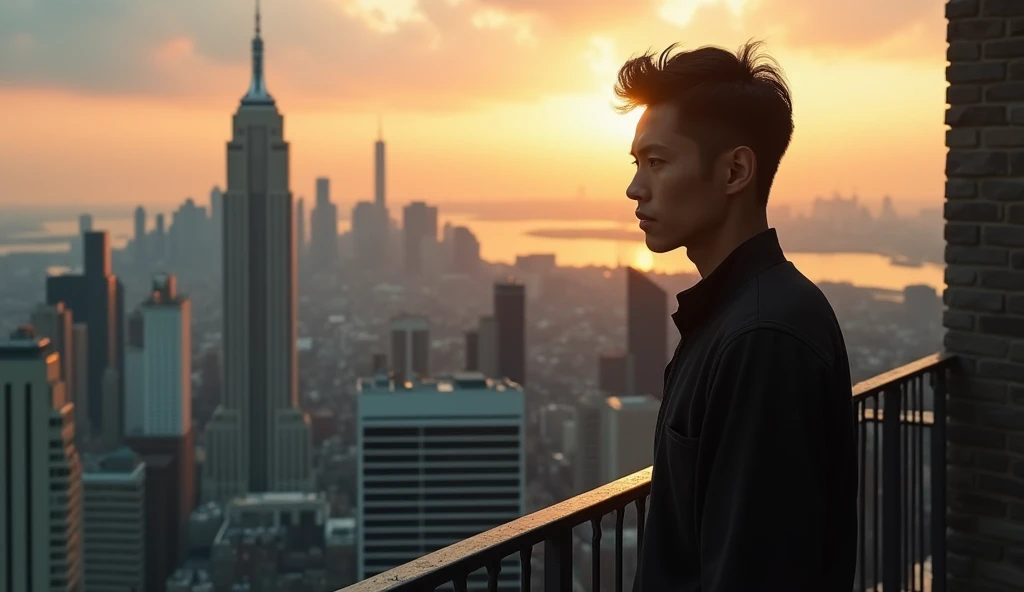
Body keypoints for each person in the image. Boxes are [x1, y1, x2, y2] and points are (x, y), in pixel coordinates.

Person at [618, 41, 857, 591]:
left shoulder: (762, 339)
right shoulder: (744, 315)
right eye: (636, 163)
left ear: (734, 171)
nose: (635, 188)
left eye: (657, 162)